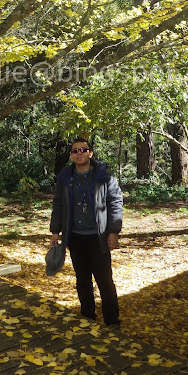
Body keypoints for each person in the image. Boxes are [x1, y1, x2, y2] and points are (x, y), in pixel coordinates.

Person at [49, 137, 123, 326]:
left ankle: (112, 320)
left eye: (83, 150)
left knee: (104, 280)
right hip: (75, 238)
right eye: (75, 151)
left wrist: (114, 231)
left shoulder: (104, 176)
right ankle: (88, 316)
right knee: (82, 280)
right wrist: (55, 231)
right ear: (71, 156)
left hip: (99, 237)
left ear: (90, 153)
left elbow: (115, 203)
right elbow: (58, 205)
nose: (79, 153)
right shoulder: (65, 178)